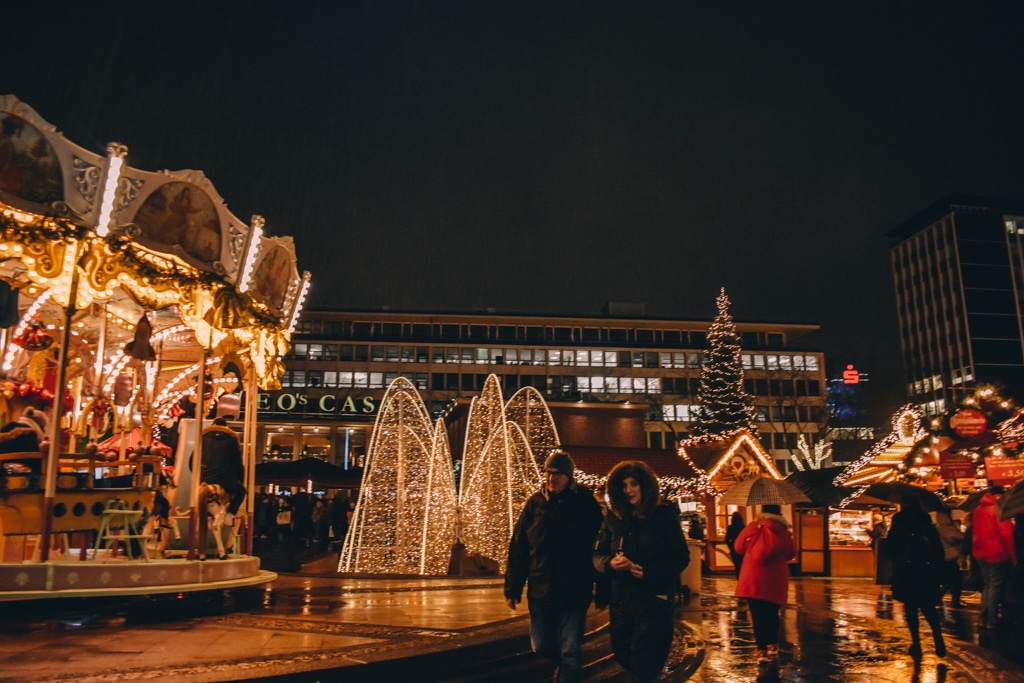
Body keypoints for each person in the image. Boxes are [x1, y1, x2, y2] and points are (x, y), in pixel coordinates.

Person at [505, 449, 604, 683]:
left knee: (571, 652)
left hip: (574, 593)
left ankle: (568, 673)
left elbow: (600, 548)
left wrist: (602, 589)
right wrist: (512, 588)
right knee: (540, 645)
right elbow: (519, 548)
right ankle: (566, 668)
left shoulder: (584, 503)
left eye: (558, 474)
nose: (552, 478)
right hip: (541, 591)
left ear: (569, 476)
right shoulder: (535, 504)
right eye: (549, 473)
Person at [594, 460, 689, 682]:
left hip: (654, 600)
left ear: (644, 486)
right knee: (626, 657)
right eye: (624, 485)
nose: (629, 490)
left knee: (645, 664)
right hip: (623, 604)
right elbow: (596, 556)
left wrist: (649, 572)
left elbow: (681, 557)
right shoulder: (613, 518)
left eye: (634, 484)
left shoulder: (662, 516)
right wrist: (610, 564)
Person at [733, 503, 796, 670]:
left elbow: (738, 547)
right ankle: (772, 644)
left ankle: (762, 651)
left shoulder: (754, 527)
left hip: (753, 577)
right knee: (772, 613)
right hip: (776, 578)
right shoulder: (784, 531)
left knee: (758, 615)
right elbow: (791, 554)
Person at [886, 496, 945, 661]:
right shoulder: (927, 526)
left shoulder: (898, 525)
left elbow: (889, 550)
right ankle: (937, 636)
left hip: (907, 571)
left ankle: (916, 644)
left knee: (911, 608)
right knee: (928, 606)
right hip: (927, 571)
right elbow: (939, 551)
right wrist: (940, 573)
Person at [972, 486, 1017, 628]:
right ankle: (991, 619)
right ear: (997, 496)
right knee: (995, 585)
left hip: (980, 551)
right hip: (995, 552)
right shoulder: (998, 510)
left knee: (987, 585)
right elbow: (1007, 535)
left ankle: (983, 617)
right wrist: (1013, 556)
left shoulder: (979, 509)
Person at [196, 417, 246, 525]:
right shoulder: (231, 441)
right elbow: (237, 463)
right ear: (226, 427)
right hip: (224, 479)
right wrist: (240, 479)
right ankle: (230, 514)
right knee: (241, 491)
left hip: (204, 477)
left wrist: (198, 475)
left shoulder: (202, 439)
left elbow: (192, 461)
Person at [933, 509, 965, 607]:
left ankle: (939, 598)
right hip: (952, 556)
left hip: (944, 556)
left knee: (949, 580)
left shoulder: (938, 528)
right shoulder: (947, 528)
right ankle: (948, 600)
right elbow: (958, 537)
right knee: (954, 580)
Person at [724, 512, 746, 578]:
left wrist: (731, 547)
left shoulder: (730, 528)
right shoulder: (743, 527)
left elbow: (727, 539)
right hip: (743, 549)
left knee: (737, 566)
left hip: (734, 549)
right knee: (743, 565)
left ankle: (738, 578)